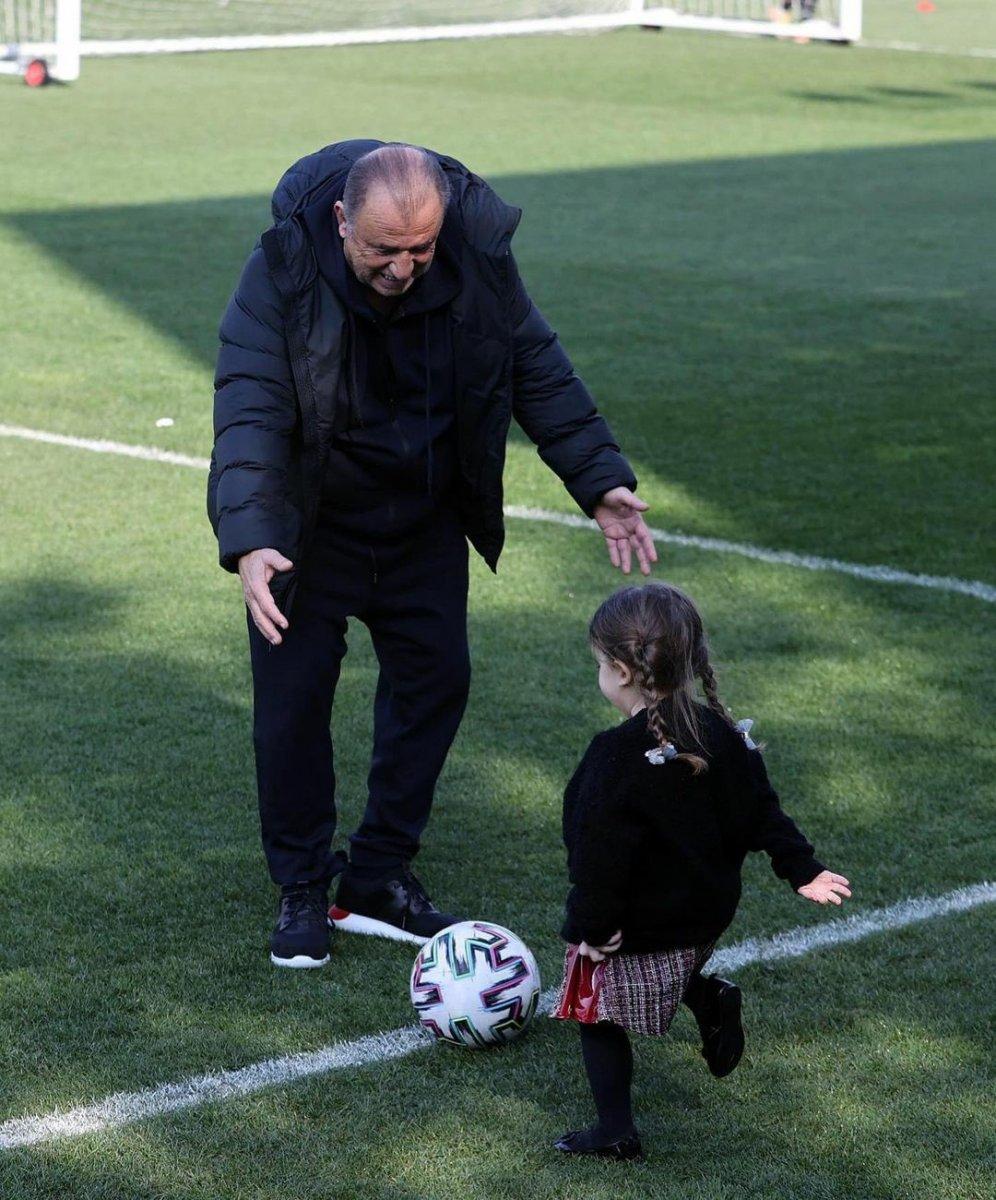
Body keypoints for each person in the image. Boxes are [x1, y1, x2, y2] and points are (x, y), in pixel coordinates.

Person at [207, 141, 657, 969]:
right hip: (311, 527)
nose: (404, 268)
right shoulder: (281, 271)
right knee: (293, 702)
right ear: (342, 221)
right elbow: (250, 402)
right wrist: (252, 538)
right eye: (382, 251)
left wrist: (598, 479)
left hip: (423, 519)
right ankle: (304, 885)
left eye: (420, 250)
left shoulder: (476, 259)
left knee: (438, 680)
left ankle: (377, 870)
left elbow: (534, 363)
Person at [551, 581, 852, 1160]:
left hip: (640, 922)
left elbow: (599, 857)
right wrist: (802, 869)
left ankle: (615, 1130)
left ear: (620, 670)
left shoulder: (614, 758)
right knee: (663, 966)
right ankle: (706, 996)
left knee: (595, 1007)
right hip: (703, 920)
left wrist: (592, 929)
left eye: (599, 664)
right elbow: (762, 810)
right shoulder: (720, 733)